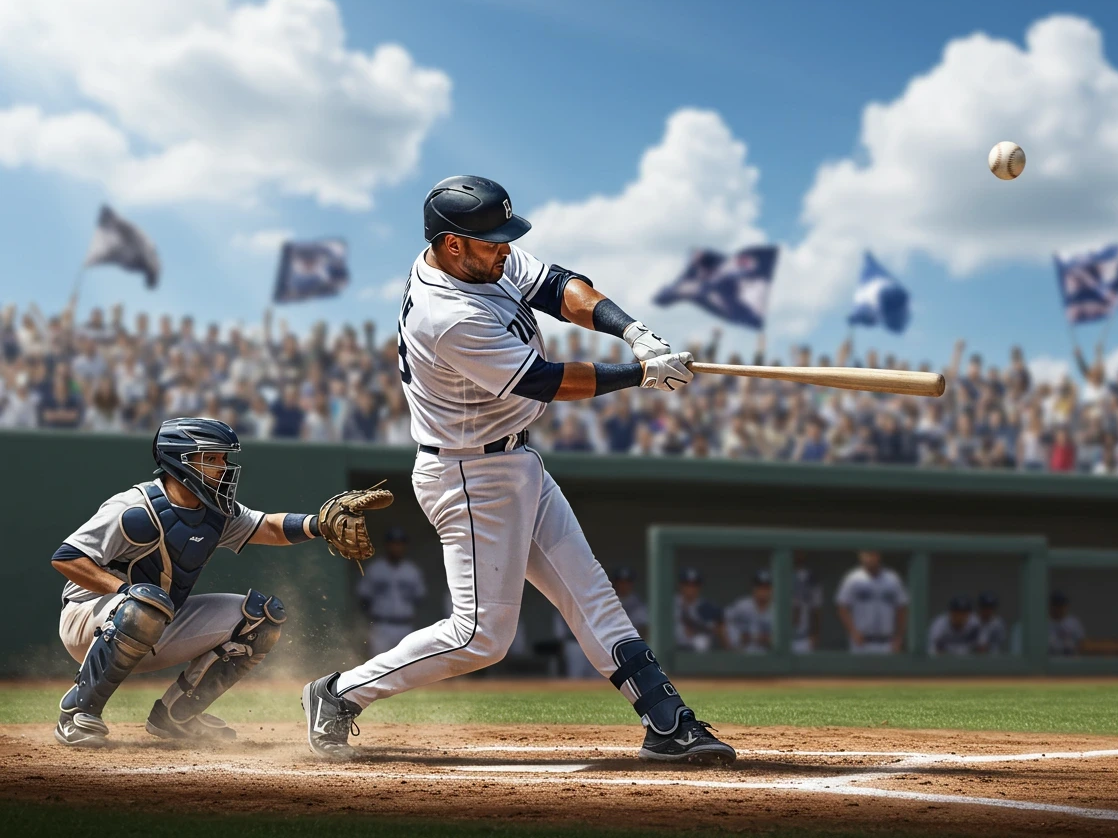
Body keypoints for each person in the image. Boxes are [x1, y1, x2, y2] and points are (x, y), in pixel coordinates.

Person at [302, 176, 734, 765]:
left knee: (592, 593)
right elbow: (544, 381)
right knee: (480, 637)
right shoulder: (445, 313)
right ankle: (337, 694)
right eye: (492, 241)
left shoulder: (478, 258)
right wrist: (638, 376)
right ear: (452, 244)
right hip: (467, 475)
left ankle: (668, 722)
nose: (505, 249)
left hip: (514, 459)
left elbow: (559, 286)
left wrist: (632, 332)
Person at [50, 418, 351, 747]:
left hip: (158, 618)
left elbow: (269, 527)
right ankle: (78, 711)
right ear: (179, 461)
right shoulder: (134, 508)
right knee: (144, 604)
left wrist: (320, 524)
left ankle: (175, 715)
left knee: (262, 617)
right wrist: (123, 591)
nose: (222, 468)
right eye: (211, 458)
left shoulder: (215, 511)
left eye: (223, 459)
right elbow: (66, 557)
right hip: (89, 621)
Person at [357, 527, 427, 656]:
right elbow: (364, 598)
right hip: (381, 626)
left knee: (407, 664)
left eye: (400, 543)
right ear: (387, 545)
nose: (396, 547)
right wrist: (370, 625)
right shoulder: (375, 569)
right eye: (393, 543)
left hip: (405, 625)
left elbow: (419, 598)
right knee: (378, 665)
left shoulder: (412, 571)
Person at [834, 551, 909, 654]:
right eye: (865, 555)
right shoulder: (853, 578)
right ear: (860, 557)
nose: (869, 559)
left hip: (887, 642)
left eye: (872, 555)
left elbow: (902, 608)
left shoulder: (892, 578)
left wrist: (899, 637)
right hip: (862, 642)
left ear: (879, 556)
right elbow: (842, 606)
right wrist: (853, 631)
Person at [674, 566, 724, 653]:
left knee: (701, 641)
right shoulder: (669, 604)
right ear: (680, 585)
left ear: (699, 586)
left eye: (694, 585)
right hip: (673, 646)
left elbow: (715, 630)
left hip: (695, 649)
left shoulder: (707, 607)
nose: (690, 588)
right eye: (687, 584)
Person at [724, 569, 774, 653]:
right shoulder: (741, 606)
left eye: (766, 587)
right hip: (744, 657)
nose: (763, 591)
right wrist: (735, 639)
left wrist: (766, 638)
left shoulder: (777, 610)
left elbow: (783, 640)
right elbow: (723, 622)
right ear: (754, 588)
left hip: (769, 658)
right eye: (760, 587)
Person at [610, 565, 649, 639]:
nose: (624, 586)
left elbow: (644, 629)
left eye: (627, 582)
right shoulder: (609, 600)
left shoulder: (638, 603)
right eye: (621, 582)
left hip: (631, 641)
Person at [1048, 590, 1086, 656]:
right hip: (1051, 659)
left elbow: (1082, 644)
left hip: (1070, 661)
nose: (1059, 608)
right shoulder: (1044, 623)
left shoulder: (1073, 623)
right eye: (1056, 605)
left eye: (1062, 605)